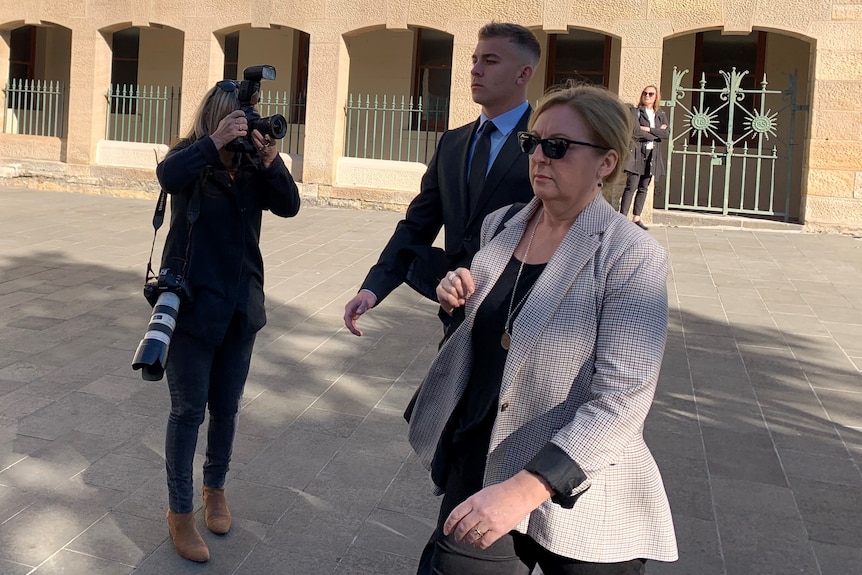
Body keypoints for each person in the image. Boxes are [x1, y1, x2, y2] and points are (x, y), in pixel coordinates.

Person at [408, 84, 678, 574]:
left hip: (581, 488)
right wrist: (456, 301)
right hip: (485, 465)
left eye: (558, 147)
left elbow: (624, 397)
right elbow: (488, 335)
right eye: (532, 143)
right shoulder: (502, 223)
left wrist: (527, 489)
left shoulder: (631, 255)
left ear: (606, 163)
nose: (539, 156)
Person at [155, 79, 300, 562]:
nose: (247, 128)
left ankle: (214, 490)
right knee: (188, 412)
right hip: (193, 307)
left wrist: (270, 159)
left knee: (227, 408)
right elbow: (166, 175)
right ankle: (180, 513)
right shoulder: (191, 160)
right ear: (218, 118)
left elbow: (290, 206)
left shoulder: (250, 168)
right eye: (239, 120)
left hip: (241, 308)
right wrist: (213, 142)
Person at [343, 23, 540, 338]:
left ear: (523, 74)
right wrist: (373, 289)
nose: (475, 70)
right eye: (475, 60)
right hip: (455, 316)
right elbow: (417, 225)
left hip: (520, 322)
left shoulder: (546, 145)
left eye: (490, 61)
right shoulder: (453, 143)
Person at [619, 85, 669, 230]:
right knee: (631, 186)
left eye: (651, 94)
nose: (647, 96)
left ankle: (636, 218)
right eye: (645, 93)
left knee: (644, 187)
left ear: (656, 97)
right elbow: (635, 131)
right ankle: (622, 218)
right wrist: (656, 134)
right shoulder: (635, 112)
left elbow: (667, 134)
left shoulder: (660, 114)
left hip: (652, 155)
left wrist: (647, 129)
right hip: (637, 153)